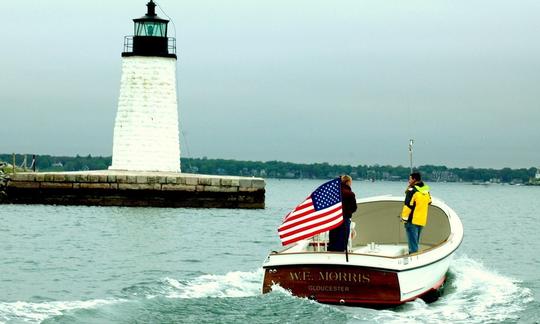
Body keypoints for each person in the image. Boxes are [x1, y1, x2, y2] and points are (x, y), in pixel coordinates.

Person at [401, 171, 431, 254]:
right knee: (415, 243)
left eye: (410, 179)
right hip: (421, 220)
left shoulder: (412, 191)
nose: (409, 181)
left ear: (414, 179)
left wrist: (404, 219)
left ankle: (413, 261)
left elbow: (407, 206)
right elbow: (429, 201)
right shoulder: (426, 191)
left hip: (412, 221)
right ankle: (415, 258)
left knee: (413, 246)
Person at [328, 175, 357, 252]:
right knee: (342, 242)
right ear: (347, 182)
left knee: (333, 240)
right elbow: (354, 208)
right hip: (344, 220)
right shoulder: (350, 194)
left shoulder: (334, 193)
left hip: (334, 219)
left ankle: (331, 252)